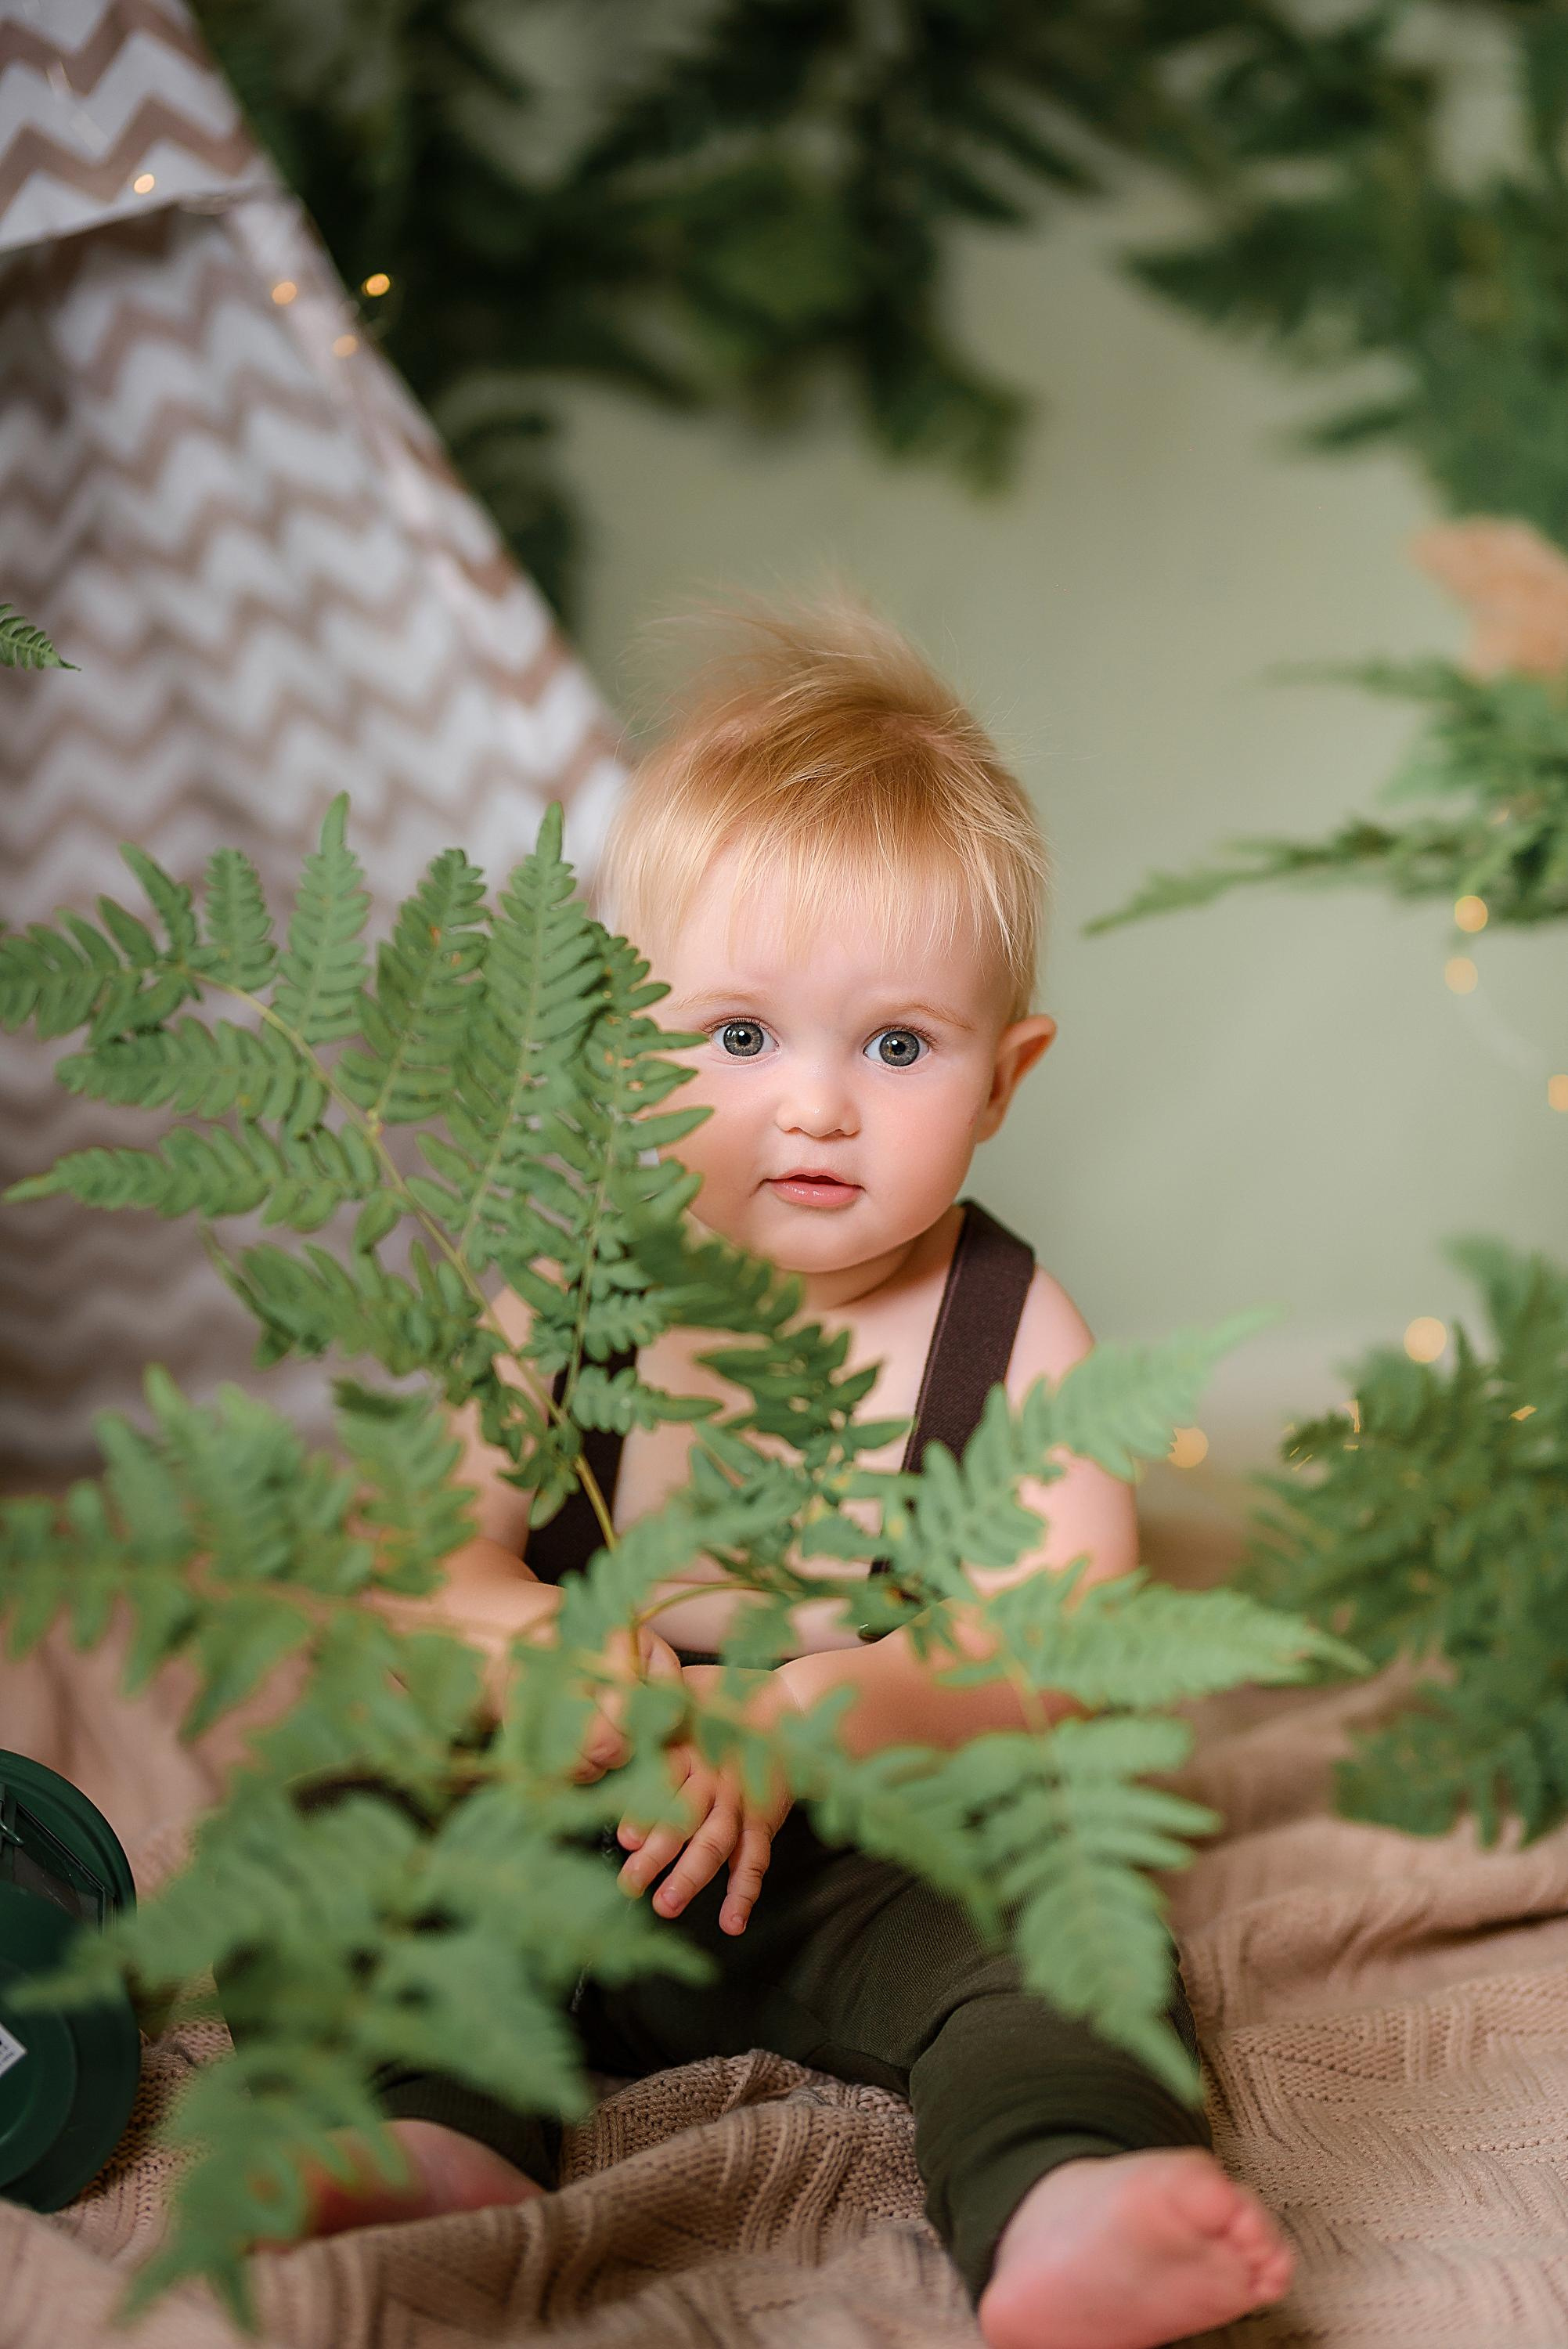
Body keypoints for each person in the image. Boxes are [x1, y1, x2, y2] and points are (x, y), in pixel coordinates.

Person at [306, 601, 1294, 2349]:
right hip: (566, 1816)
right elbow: (416, 1573)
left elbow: (1052, 1652)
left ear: (1005, 1078)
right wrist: (526, 1632)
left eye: (896, 1046)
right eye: (740, 1038)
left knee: (1074, 1941)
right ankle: (435, 2125)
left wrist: (811, 1716)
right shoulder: (560, 1287)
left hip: (859, 1858)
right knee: (346, 1820)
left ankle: (1070, 2192)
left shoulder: (1010, 1333)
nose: (817, 1109)